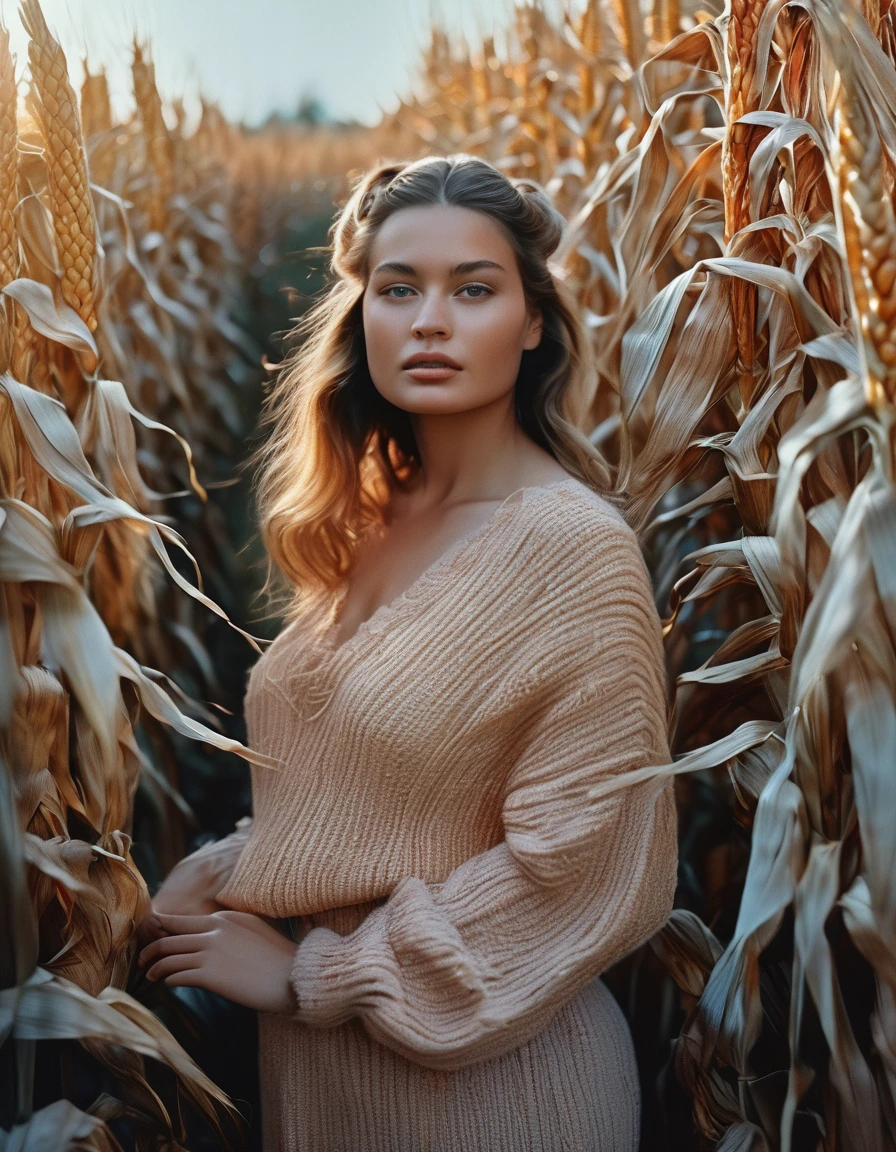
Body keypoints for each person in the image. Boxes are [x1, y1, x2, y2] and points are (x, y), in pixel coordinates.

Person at [136, 153, 678, 1151]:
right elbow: (380, 793)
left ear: (531, 322)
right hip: (329, 1088)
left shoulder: (571, 549)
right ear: (363, 318)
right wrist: (230, 869)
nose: (429, 319)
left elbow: (591, 871)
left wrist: (311, 975)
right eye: (399, 288)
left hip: (496, 1098)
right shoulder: (370, 517)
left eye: (472, 289)